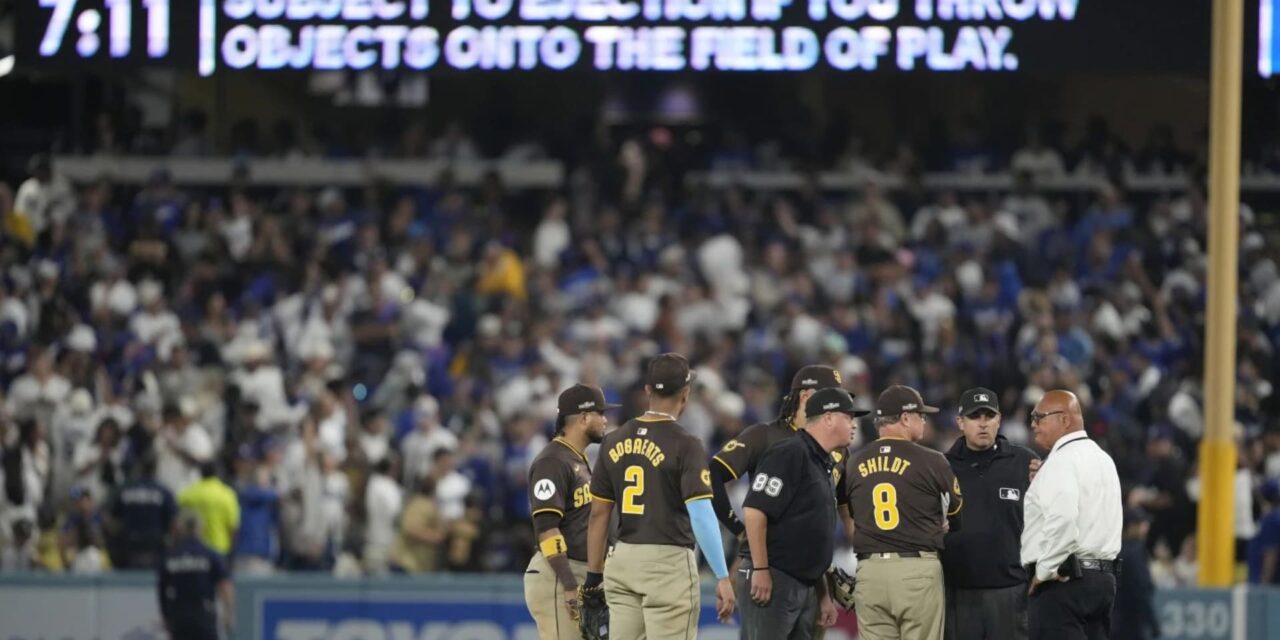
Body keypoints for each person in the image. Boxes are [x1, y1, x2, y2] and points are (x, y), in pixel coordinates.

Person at [584, 353, 735, 639]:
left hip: (623, 558)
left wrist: (593, 577)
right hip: (668, 563)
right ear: (685, 395)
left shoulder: (613, 440)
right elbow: (702, 515)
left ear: (648, 391)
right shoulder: (686, 444)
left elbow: (598, 514)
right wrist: (722, 575)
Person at [709, 365, 846, 640]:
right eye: (831, 395)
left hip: (811, 575)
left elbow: (841, 506)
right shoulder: (764, 435)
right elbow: (711, 475)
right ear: (806, 396)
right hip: (769, 565)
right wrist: (739, 530)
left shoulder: (836, 449)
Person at [740, 387, 865, 639]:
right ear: (828, 418)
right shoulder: (789, 452)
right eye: (848, 417)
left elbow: (811, 538)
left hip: (803, 583)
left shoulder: (823, 462)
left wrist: (822, 595)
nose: (854, 425)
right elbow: (755, 511)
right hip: (775, 578)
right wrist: (761, 570)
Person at [843, 385, 962, 640]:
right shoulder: (932, 460)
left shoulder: (853, 462)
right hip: (915, 570)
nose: (924, 421)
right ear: (906, 418)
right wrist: (946, 524)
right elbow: (958, 511)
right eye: (921, 415)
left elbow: (852, 514)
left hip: (869, 572)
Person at [1021, 390, 1122, 640]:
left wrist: (1044, 570)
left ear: (1065, 420)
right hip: (1103, 581)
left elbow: (1063, 519)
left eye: (1039, 417)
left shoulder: (1061, 461)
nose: (1033, 424)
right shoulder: (1103, 459)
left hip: (1064, 581)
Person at [941, 388, 1041, 640]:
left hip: (1011, 590)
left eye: (989, 416)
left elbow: (1043, 518)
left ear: (999, 420)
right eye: (975, 417)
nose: (983, 423)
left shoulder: (1024, 462)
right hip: (957, 590)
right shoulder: (941, 466)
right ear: (960, 422)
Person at [524, 383, 616, 640]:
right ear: (584, 418)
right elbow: (546, 530)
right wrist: (568, 583)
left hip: (580, 574)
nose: (606, 419)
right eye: (601, 413)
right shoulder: (553, 461)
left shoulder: (576, 459)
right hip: (558, 576)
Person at [158, 510, 235, 640]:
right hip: (204, 613)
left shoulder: (171, 557)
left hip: (179, 615)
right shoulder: (211, 555)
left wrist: (166, 617)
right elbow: (225, 586)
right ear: (201, 528)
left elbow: (162, 590)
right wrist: (229, 614)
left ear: (181, 528)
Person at [107, 455, 177, 570]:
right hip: (155, 548)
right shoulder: (164, 492)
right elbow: (174, 523)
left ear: (139, 469)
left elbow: (112, 522)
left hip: (129, 547)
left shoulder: (125, 490)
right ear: (155, 469)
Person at [1113, 508, 1159, 640]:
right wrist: (1152, 622)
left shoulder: (1114, 548)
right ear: (1131, 527)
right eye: (1142, 524)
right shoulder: (1135, 551)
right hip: (1132, 620)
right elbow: (1141, 588)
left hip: (1114, 619)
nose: (1146, 527)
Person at [177, 463, 240, 557]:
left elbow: (178, 522)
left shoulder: (188, 494)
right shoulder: (227, 495)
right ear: (218, 474)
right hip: (219, 548)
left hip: (194, 551)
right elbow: (233, 527)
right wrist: (232, 552)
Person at [1246, 478, 1280, 585]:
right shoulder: (1270, 518)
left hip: (1267, 585)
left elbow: (1271, 553)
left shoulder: (1272, 519)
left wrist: (1264, 583)